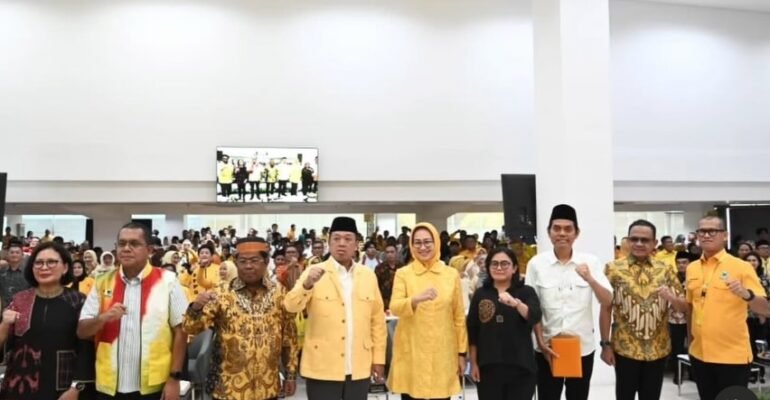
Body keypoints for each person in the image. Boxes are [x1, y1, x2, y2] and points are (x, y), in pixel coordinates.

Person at [77, 222, 189, 400]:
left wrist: (174, 378)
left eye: (134, 244)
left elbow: (181, 330)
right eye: (122, 244)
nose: (126, 249)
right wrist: (103, 318)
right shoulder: (101, 282)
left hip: (154, 386)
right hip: (109, 387)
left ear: (149, 250)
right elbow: (82, 331)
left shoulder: (168, 281)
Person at [284, 217, 387, 400]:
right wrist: (307, 285)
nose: (342, 243)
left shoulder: (368, 276)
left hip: (358, 365)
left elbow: (377, 321)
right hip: (322, 366)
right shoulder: (314, 272)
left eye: (348, 239)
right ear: (329, 243)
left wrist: (378, 358)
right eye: (336, 238)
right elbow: (290, 306)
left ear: (356, 244)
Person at [183, 237, 299, 400]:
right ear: (236, 263)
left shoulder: (280, 293)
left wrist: (290, 374)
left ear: (266, 262)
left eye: (254, 260)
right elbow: (191, 328)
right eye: (243, 261)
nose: (248, 266)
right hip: (228, 389)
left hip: (267, 387)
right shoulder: (221, 293)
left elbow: (289, 336)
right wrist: (195, 308)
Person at [525, 204, 613, 400]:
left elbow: (607, 300)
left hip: (582, 348)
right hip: (547, 347)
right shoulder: (536, 264)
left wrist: (589, 279)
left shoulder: (590, 262)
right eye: (556, 228)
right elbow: (533, 308)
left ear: (576, 233)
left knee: (578, 396)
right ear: (549, 232)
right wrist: (540, 342)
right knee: (548, 396)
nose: (562, 233)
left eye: (568, 229)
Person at [599, 220, 687, 400]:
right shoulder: (613, 269)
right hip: (625, 348)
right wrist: (605, 345)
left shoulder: (665, 269)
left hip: (657, 348)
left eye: (645, 240)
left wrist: (670, 297)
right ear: (628, 241)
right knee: (624, 396)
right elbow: (606, 308)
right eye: (634, 239)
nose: (639, 244)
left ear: (654, 243)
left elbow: (683, 307)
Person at [686, 216, 770, 400]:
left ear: (725, 235)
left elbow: (765, 309)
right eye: (702, 231)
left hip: (732, 356)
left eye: (712, 231)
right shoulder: (692, 268)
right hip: (699, 354)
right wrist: (690, 342)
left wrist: (746, 294)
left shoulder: (741, 267)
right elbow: (691, 307)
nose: (706, 235)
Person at [0, 242, 96, 399]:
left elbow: (87, 350)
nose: (44, 267)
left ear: (65, 267)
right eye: (38, 262)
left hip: (63, 389)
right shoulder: (19, 300)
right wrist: (5, 323)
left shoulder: (77, 301)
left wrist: (76, 387)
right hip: (18, 388)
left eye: (51, 262)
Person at [388, 222, 467, 400]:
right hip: (412, 353)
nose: (422, 247)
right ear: (411, 245)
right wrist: (415, 300)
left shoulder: (450, 274)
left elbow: (458, 317)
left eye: (427, 242)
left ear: (436, 243)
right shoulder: (404, 274)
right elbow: (395, 307)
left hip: (443, 353)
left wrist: (461, 353)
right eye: (417, 243)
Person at [467, 247, 540, 400]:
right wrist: (473, 363)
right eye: (494, 264)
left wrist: (516, 304)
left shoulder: (526, 291)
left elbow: (534, 316)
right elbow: (473, 331)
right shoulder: (481, 294)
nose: (499, 268)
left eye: (505, 264)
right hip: (488, 367)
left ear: (514, 268)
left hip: (521, 367)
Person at [669, 251, 692, 383]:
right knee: (676, 347)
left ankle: (693, 374)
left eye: (684, 262)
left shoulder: (695, 277)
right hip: (676, 318)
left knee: (693, 346)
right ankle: (678, 374)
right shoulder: (672, 278)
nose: (681, 265)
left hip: (693, 317)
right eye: (678, 263)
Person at [0, 240, 30, 309]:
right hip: (5, 309)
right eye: (12, 252)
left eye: (17, 253)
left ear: (22, 255)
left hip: (24, 309)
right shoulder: (2, 271)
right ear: (7, 255)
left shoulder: (28, 273)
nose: (14, 255)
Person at [374, 244, 401, 310]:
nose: (390, 254)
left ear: (396, 253)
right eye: (387, 252)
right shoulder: (379, 268)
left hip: (399, 300)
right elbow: (375, 286)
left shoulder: (402, 267)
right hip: (384, 302)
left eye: (392, 252)